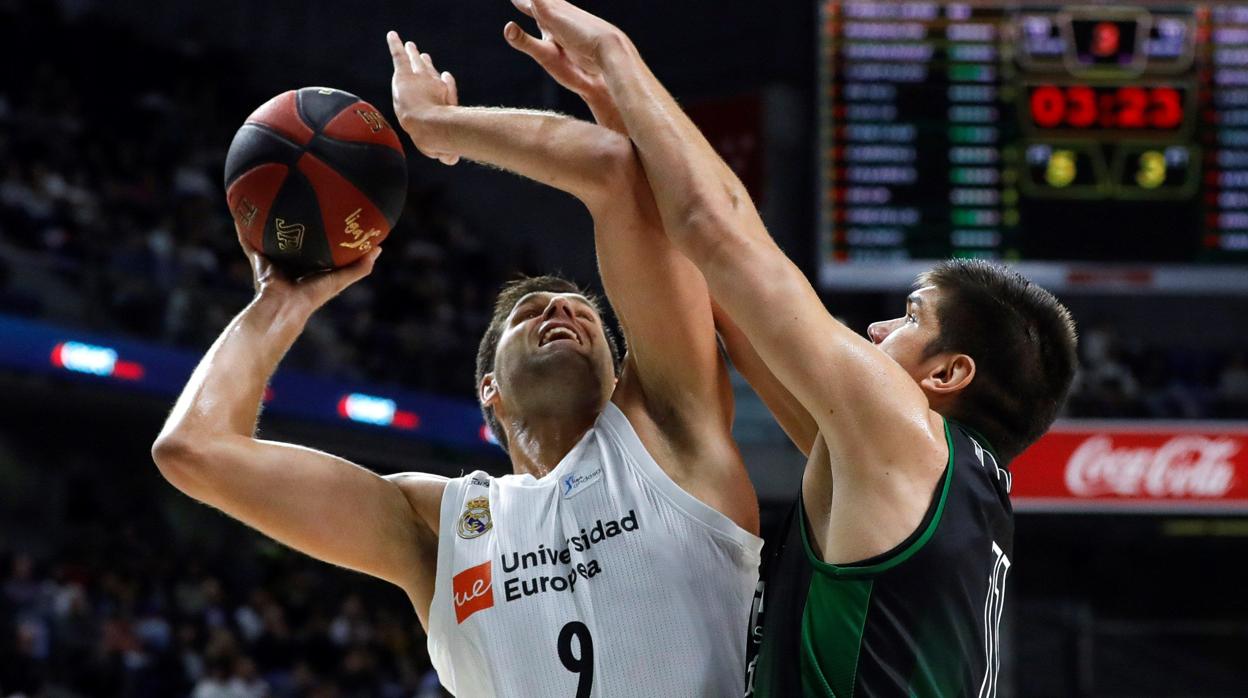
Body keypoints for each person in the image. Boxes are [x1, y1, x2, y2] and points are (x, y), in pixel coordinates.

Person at [151, 23, 766, 698]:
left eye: (581, 312)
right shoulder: (437, 526)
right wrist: (279, 303)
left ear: (621, 377)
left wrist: (441, 127)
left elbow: (620, 174)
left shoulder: (673, 434)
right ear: (489, 390)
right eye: (528, 314)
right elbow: (194, 450)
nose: (558, 309)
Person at [502, 1, 1080, 695]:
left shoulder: (903, 436)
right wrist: (626, 126)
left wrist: (617, 54)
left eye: (908, 319)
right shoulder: (933, 485)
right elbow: (736, 318)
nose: (875, 333)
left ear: (950, 371)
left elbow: (713, 229)